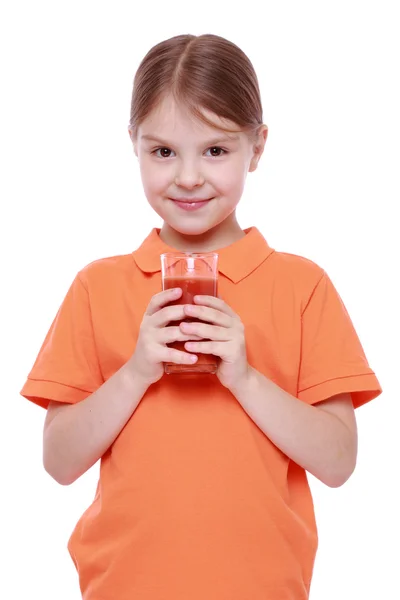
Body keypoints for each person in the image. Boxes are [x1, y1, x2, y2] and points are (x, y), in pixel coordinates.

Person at [20, 33, 382, 600]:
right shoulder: (98, 286)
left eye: (215, 150)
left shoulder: (302, 285)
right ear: (133, 144)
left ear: (257, 147)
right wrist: (138, 370)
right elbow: (59, 462)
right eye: (163, 151)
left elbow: (337, 462)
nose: (188, 177)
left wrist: (243, 375)